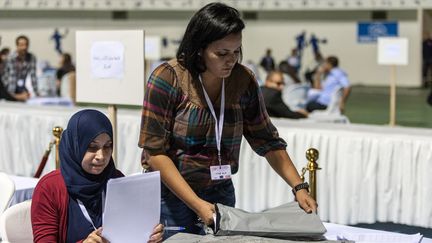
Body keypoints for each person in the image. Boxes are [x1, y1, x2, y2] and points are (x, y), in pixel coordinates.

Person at [139, 2, 317, 239]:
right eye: (222, 53)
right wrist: (197, 204)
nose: (231, 60)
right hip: (172, 195)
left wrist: (298, 186)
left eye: (236, 51)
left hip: (221, 191)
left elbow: (267, 140)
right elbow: (154, 154)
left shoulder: (243, 81)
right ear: (199, 49)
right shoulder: (167, 79)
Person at [31, 109, 163, 243]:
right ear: (76, 146)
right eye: (92, 147)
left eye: (107, 146)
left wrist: (148, 235)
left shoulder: (116, 179)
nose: (101, 156)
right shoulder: (49, 188)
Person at [1, 35, 37, 100]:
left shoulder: (31, 58)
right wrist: (11, 95)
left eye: (26, 45)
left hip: (20, 87)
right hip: (8, 88)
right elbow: (9, 77)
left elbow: (33, 77)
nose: (24, 47)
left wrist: (36, 93)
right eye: (22, 45)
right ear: (17, 46)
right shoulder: (10, 58)